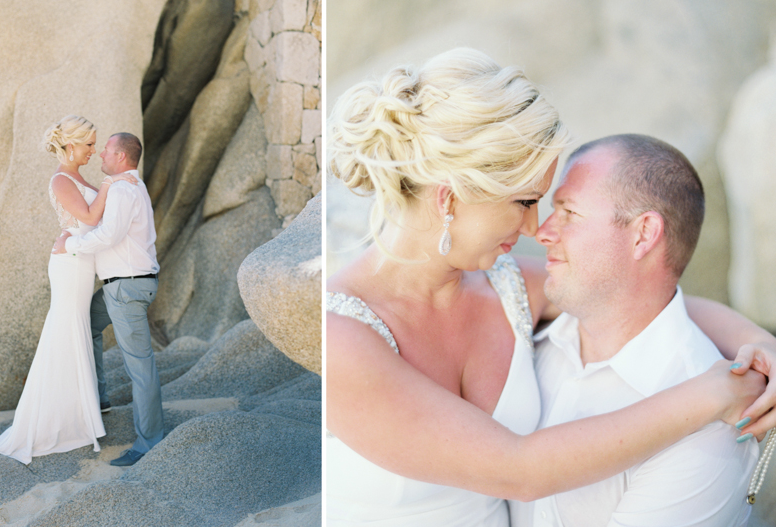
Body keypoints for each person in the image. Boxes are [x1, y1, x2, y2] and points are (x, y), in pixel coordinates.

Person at [325, 48, 776, 526]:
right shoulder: (343, 340)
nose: (532, 228)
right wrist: (711, 394)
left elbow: (631, 295)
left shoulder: (505, 286)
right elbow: (517, 470)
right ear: (450, 199)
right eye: (524, 202)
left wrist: (760, 344)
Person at [509, 134, 758, 526]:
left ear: (643, 234)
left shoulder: (713, 431)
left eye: (569, 213)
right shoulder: (522, 327)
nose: (542, 232)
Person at [0, 115, 137, 464]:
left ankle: (78, 416)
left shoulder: (79, 177)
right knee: (66, 330)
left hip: (81, 262)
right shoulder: (60, 180)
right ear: (71, 146)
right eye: (88, 145)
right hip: (69, 265)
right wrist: (109, 186)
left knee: (76, 331)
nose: (94, 151)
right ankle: (55, 422)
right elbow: (87, 218)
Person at [52, 132, 163, 468]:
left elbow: (108, 234)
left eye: (107, 149)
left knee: (140, 366)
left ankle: (148, 443)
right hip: (124, 286)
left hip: (126, 288)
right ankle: (99, 397)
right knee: (86, 321)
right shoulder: (130, 186)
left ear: (121, 157)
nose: (100, 152)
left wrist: (68, 246)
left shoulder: (124, 189)